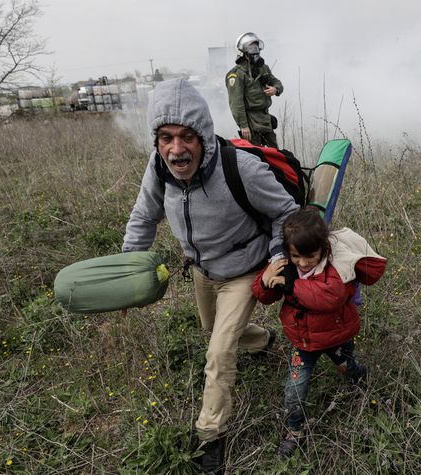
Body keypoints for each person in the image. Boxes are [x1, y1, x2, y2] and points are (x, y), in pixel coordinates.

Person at [122, 78, 299, 473]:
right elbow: (143, 217)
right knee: (211, 328)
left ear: (203, 135)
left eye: (187, 136)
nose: (176, 149)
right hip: (202, 270)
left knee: (219, 352)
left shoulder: (242, 168)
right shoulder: (158, 168)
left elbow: (286, 212)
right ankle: (263, 340)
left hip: (243, 270)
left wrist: (275, 257)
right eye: (166, 137)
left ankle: (209, 435)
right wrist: (125, 273)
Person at [251, 207, 386, 458]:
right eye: (295, 256)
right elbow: (263, 295)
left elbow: (329, 298)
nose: (302, 262)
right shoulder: (287, 266)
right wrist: (265, 279)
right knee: (294, 389)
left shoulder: (337, 267)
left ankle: (363, 383)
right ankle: (295, 431)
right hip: (302, 343)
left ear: (323, 249)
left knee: (348, 366)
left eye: (309, 256)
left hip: (336, 337)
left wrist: (291, 285)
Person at [226, 32, 283, 148]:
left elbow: (277, 83)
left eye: (256, 47)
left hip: (265, 118)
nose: (255, 51)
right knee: (257, 155)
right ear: (243, 52)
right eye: (251, 48)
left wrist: (275, 89)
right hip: (251, 121)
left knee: (275, 153)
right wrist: (243, 125)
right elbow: (236, 103)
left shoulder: (263, 69)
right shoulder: (236, 74)